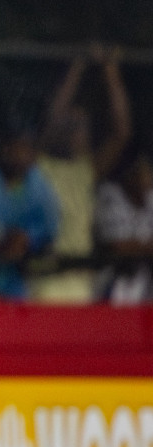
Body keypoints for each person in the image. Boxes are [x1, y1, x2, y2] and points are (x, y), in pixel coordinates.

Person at [33, 47, 132, 302]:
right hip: (45, 283)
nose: (78, 131)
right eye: (73, 125)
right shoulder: (41, 165)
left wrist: (111, 71)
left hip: (80, 285)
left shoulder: (86, 170)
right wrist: (77, 65)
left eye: (83, 127)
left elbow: (121, 132)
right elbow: (54, 118)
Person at [0, 123, 60, 300]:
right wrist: (4, 239)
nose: (26, 155)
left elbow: (49, 229)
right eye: (21, 147)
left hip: (18, 287)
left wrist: (27, 238)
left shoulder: (35, 181)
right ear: (4, 148)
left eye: (29, 148)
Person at [94, 149, 153, 304]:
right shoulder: (111, 196)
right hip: (114, 279)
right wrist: (146, 247)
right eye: (143, 173)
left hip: (144, 280)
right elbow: (119, 246)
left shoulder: (150, 198)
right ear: (130, 177)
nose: (148, 178)